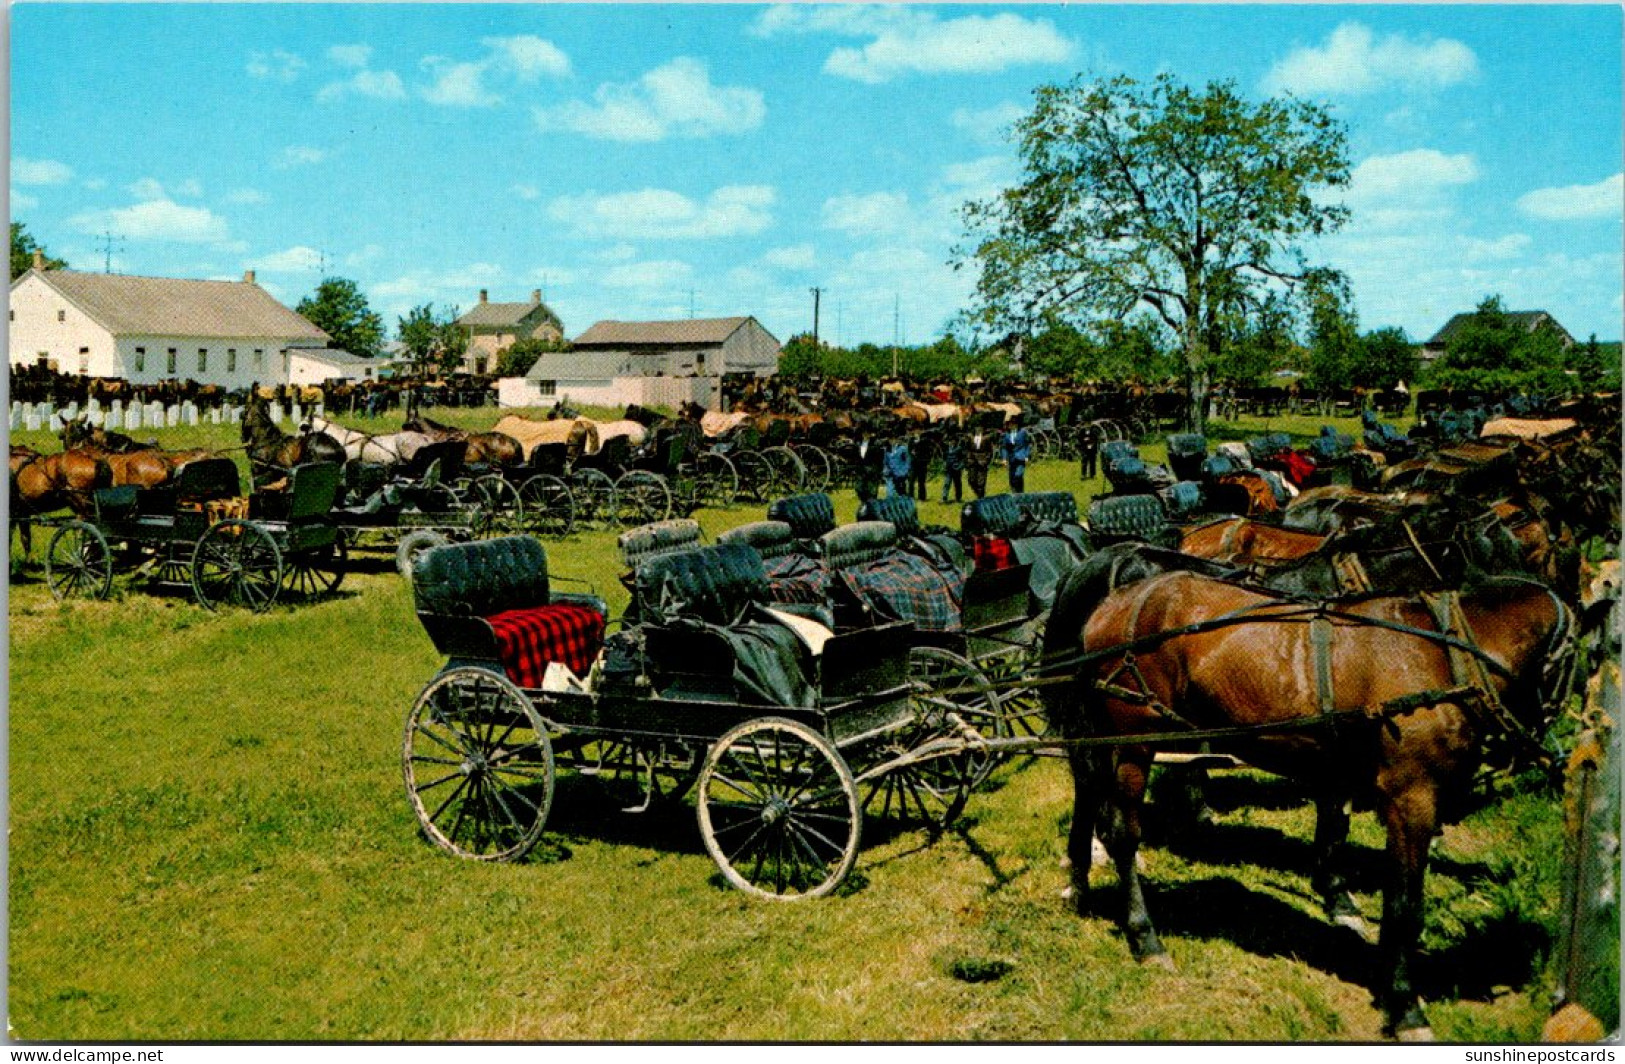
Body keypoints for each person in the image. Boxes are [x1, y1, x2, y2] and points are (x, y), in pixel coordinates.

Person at [1002, 417, 1032, 494]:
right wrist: (1004, 459)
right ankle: (1014, 493)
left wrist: (1027, 456)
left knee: (1018, 475)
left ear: (1016, 425)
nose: (1010, 426)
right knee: (1012, 478)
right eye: (1009, 424)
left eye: (1012, 424)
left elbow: (1027, 445)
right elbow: (1004, 447)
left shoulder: (1022, 432)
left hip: (1021, 458)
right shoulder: (1006, 435)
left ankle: (1020, 492)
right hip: (1011, 459)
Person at [854, 433, 883, 502]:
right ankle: (864, 501)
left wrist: (878, 470)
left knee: (872, 490)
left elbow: (879, 458)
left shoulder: (875, 444)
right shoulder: (858, 444)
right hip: (861, 469)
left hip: (872, 469)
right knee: (859, 488)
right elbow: (857, 457)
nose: (865, 436)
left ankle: (872, 504)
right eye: (864, 434)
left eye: (867, 434)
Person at [966, 427, 993, 499]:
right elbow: (967, 449)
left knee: (981, 481)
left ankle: (981, 497)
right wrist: (968, 459)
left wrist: (986, 461)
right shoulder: (971, 438)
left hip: (982, 461)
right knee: (971, 480)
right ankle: (978, 493)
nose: (978, 430)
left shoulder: (986, 438)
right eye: (977, 429)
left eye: (980, 429)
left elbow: (990, 451)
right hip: (972, 461)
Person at [940, 427, 966, 504]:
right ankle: (944, 497)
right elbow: (944, 457)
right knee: (946, 483)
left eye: (953, 441)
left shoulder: (959, 449)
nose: (952, 442)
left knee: (957, 484)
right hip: (949, 469)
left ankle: (958, 498)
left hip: (956, 469)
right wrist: (944, 464)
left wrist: (960, 467)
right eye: (950, 441)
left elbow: (963, 459)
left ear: (956, 441)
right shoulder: (947, 448)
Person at [910, 428, 935, 501]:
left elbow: (929, 451)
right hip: (914, 464)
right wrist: (912, 455)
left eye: (919, 430)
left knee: (921, 482)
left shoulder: (925, 440)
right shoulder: (911, 440)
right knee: (911, 481)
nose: (917, 432)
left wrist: (927, 460)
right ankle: (910, 496)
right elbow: (909, 451)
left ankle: (922, 497)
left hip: (922, 463)